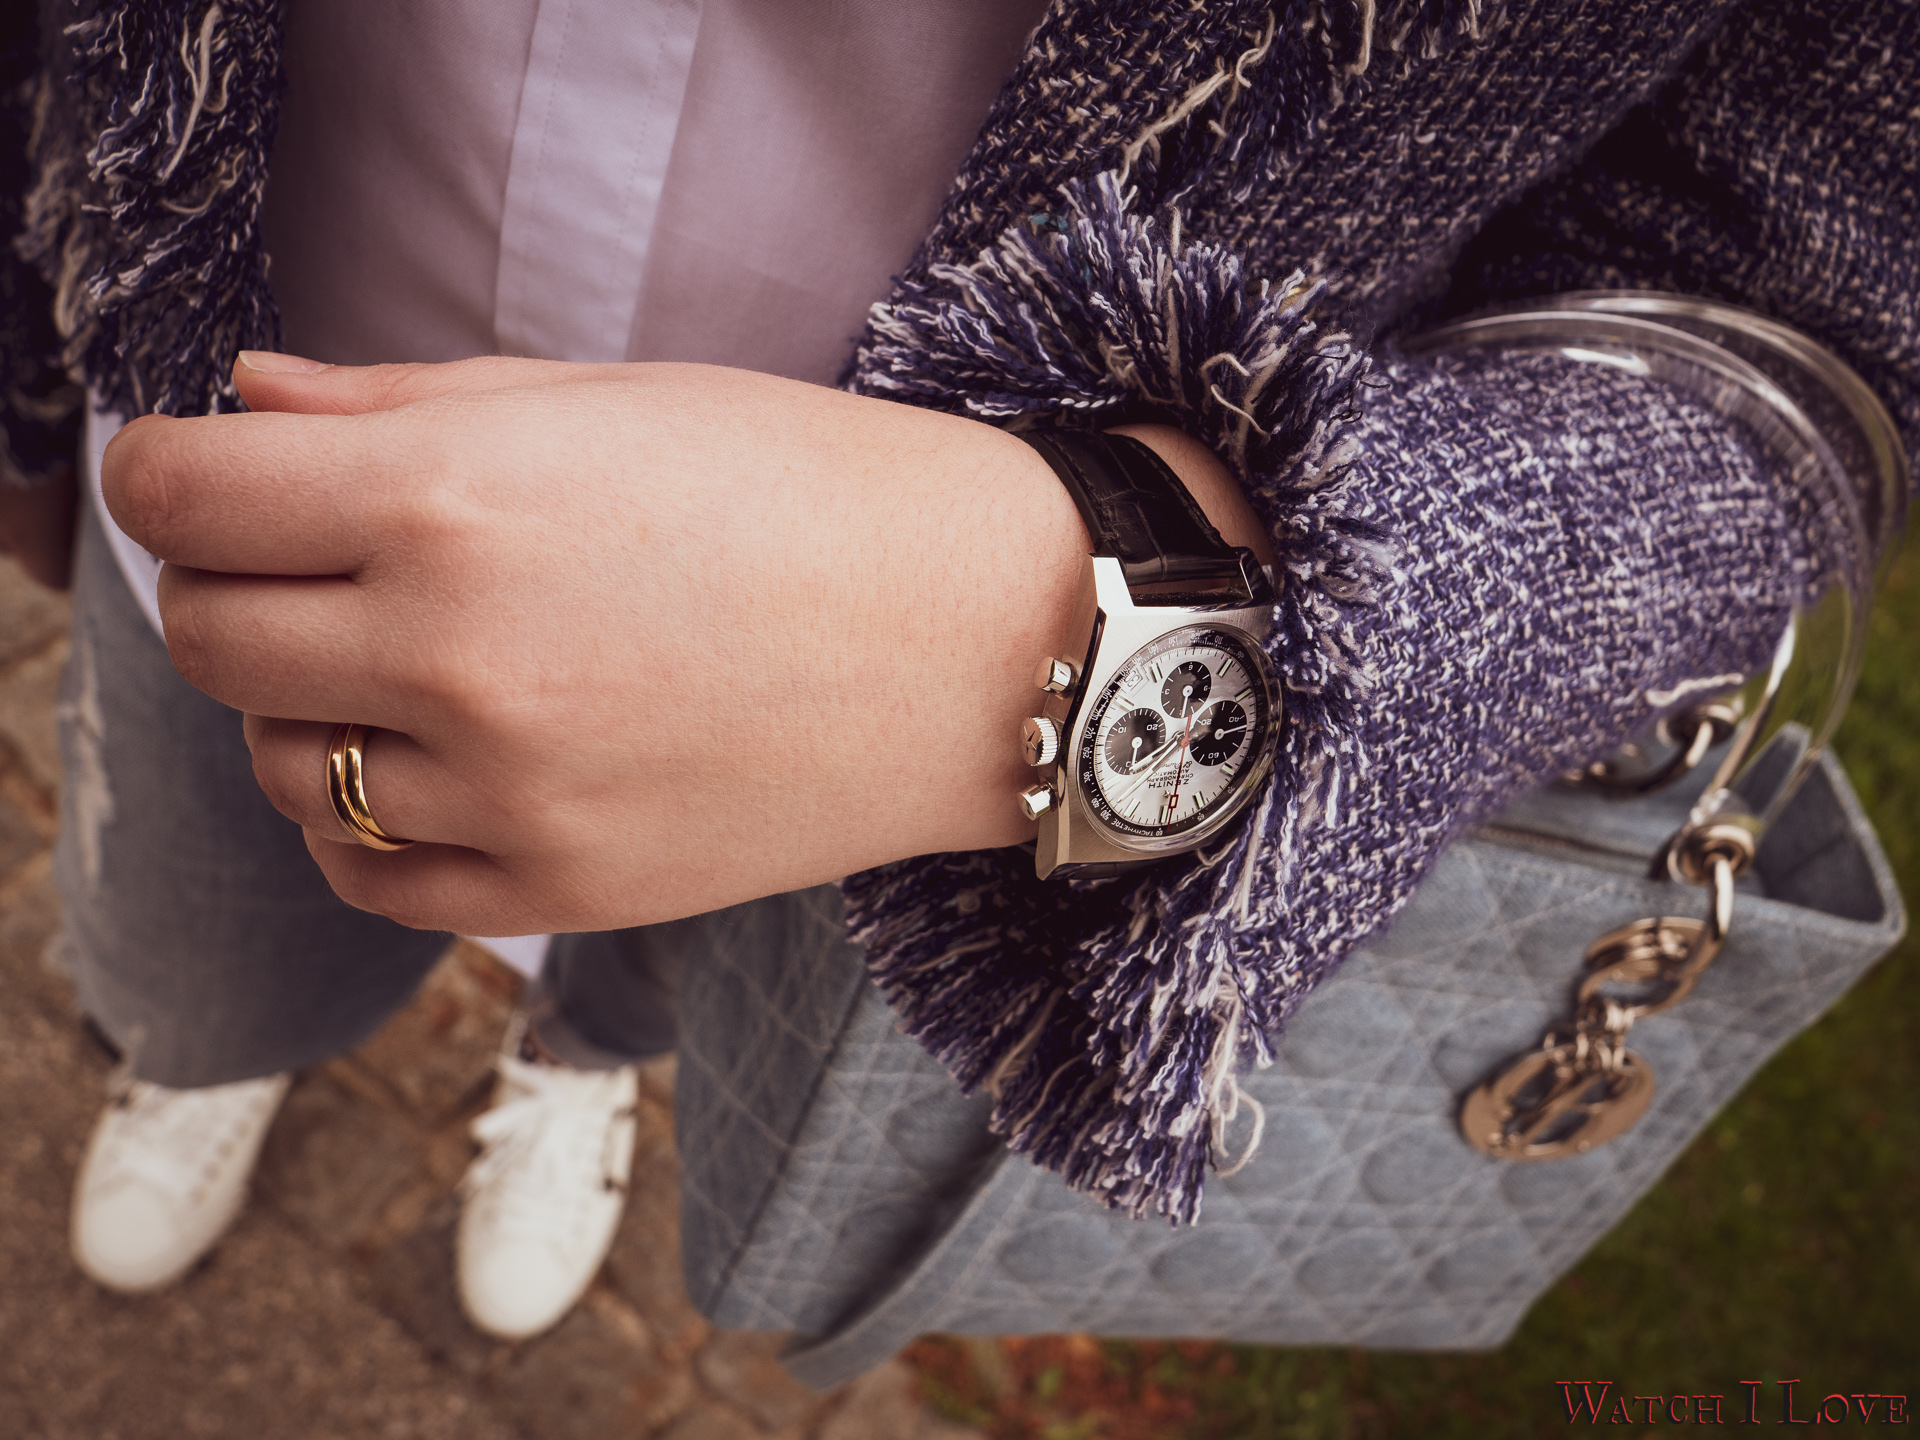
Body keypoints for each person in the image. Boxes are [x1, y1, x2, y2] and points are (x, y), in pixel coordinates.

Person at [2, 0, 1914, 1343]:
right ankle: (214, 1057)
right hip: (248, 442)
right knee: (208, 933)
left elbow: (1808, 348)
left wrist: (1085, 604)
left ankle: (575, 1062)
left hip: (916, 753)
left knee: (663, 977)